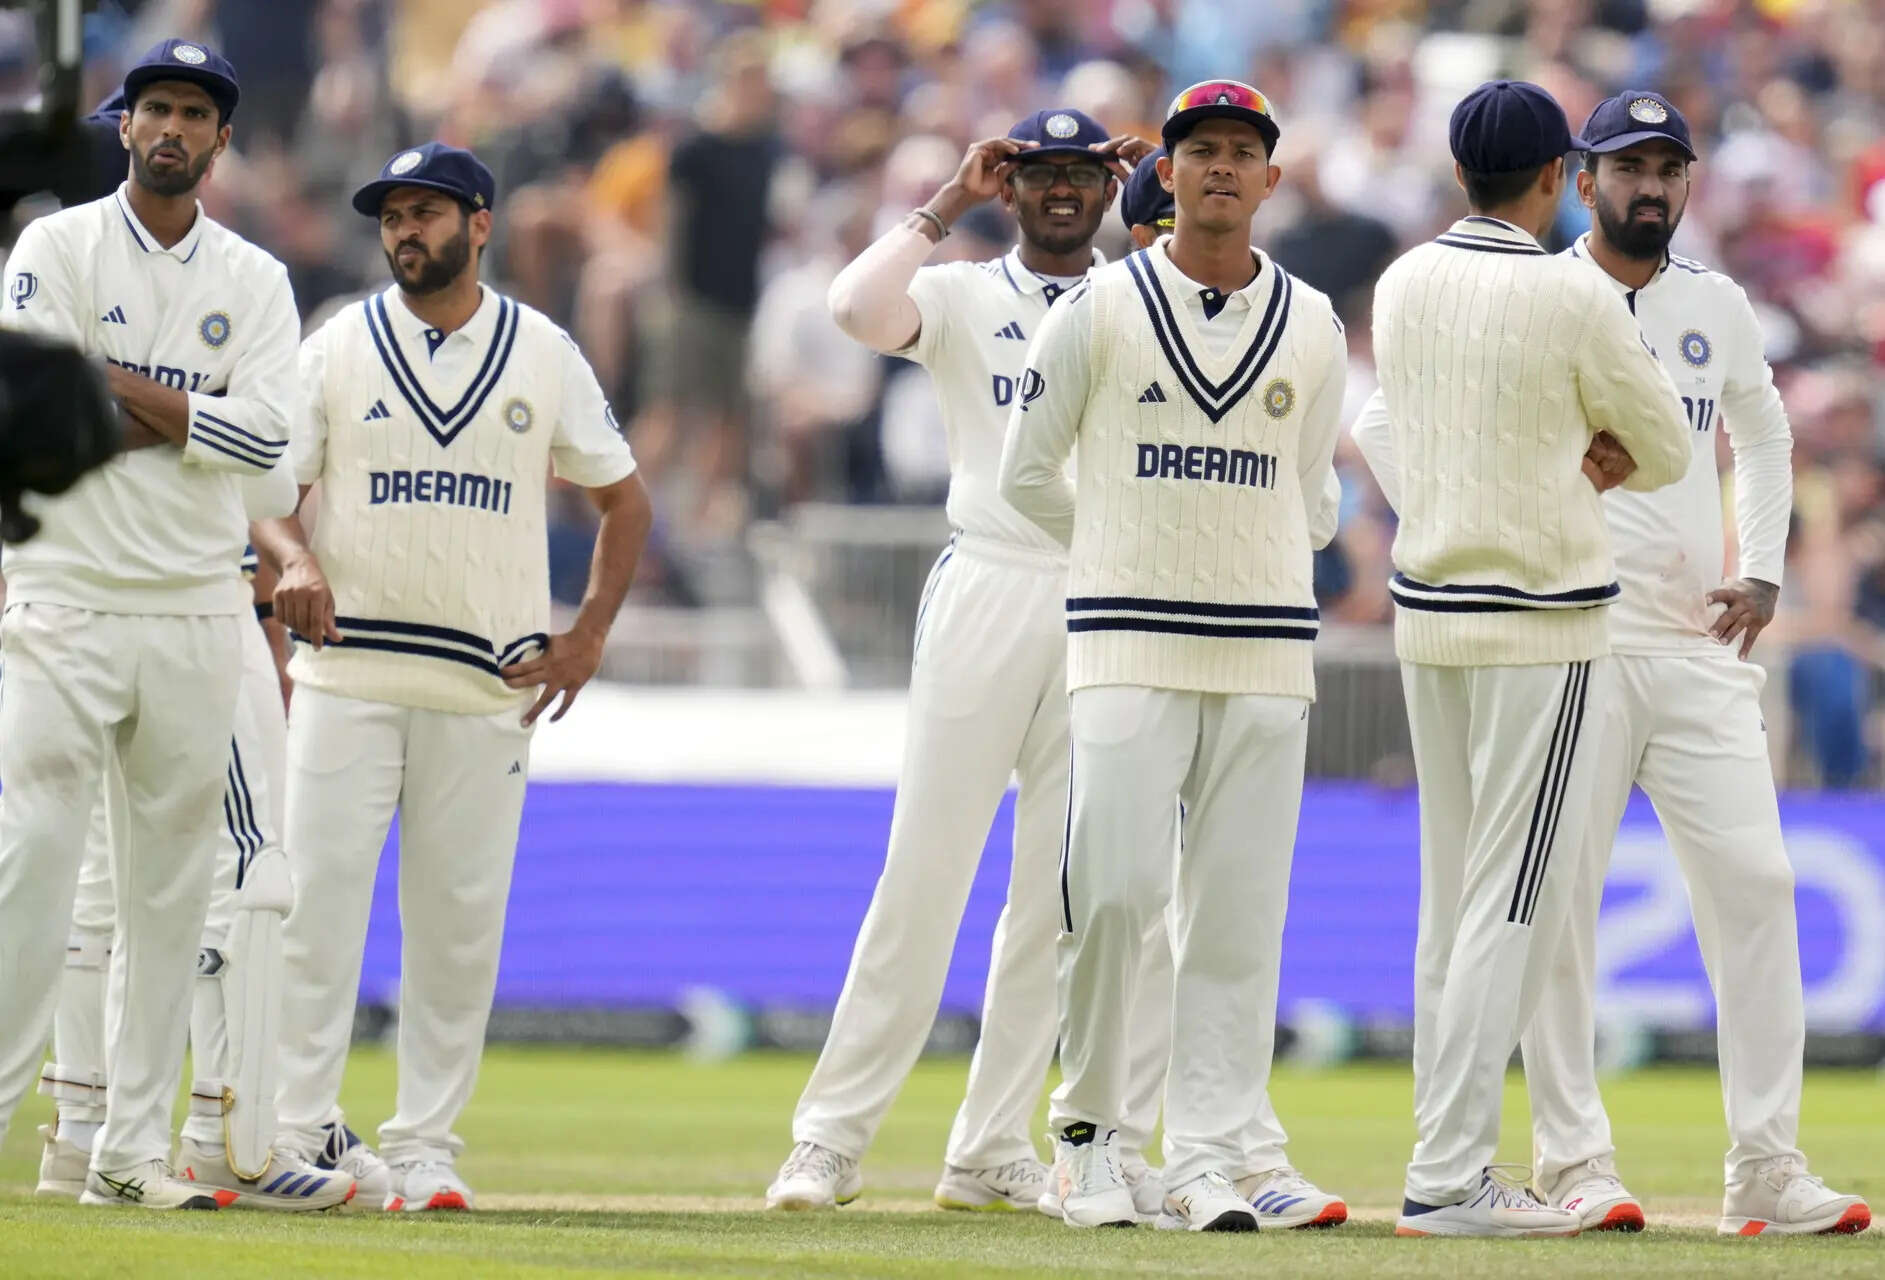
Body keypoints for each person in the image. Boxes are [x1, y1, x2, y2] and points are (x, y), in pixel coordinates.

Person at [766, 108, 1174, 1219]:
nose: (1059, 191)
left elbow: (1213, 300)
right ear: (1010, 185)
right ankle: (828, 1139)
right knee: (925, 871)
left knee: (1057, 897)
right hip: (991, 576)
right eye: (1038, 173)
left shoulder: (1139, 295)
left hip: (1104, 595)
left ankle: (991, 1143)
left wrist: (1163, 200)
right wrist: (946, 197)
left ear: (1105, 189)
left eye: (1081, 176)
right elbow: (853, 306)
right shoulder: (957, 291)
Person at [255, 142, 652, 1212]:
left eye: (427, 213)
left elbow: (624, 499)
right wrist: (294, 556)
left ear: (480, 225)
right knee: (315, 913)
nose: (405, 232)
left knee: (457, 928)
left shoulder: (540, 348)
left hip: (485, 688)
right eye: (392, 217)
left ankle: (425, 1143)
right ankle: (296, 1126)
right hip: (347, 677)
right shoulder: (339, 339)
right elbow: (269, 482)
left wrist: (588, 636)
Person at [1517, 91, 1869, 1238]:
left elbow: (1762, 435)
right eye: (1629, 167)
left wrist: (1760, 566)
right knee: (1558, 904)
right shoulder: (1538, 298)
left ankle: (1764, 1165)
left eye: (1669, 167)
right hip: (1571, 636)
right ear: (1583, 180)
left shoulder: (1714, 303)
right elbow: (1405, 433)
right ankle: (1572, 1158)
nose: (1651, 186)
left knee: (1758, 888)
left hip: (1696, 637)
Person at [999, 79, 1347, 1233]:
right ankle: (1091, 1138)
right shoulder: (1095, 309)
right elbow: (1024, 474)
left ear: (1269, 179)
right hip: (1125, 641)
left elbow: (1313, 499)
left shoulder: (1312, 320)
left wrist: (1242, 561)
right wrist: (1115, 557)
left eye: (1243, 152)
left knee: (1240, 915)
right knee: (1112, 895)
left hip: (1264, 651)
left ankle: (1213, 1152)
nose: (1220, 168)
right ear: (1168, 172)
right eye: (1200, 148)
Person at [1354, 80, 1690, 1238]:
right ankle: (1449, 1175)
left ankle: (1443, 1156)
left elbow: (1385, 426)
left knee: (1452, 903)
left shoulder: (1400, 281)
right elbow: (1665, 446)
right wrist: (1584, 456)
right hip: (1541, 622)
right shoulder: (1572, 295)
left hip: (1428, 611)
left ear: (1459, 174)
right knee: (1509, 902)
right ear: (1558, 176)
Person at [0, 38, 300, 1209]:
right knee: (30, 863)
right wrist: (196, 415)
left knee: (170, 891)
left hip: (192, 604)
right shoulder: (55, 243)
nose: (172, 128)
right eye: (155, 109)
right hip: (64, 595)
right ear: (123, 125)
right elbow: (30, 404)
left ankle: (128, 1153)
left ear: (223, 139)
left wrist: (110, 388)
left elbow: (274, 447)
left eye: (195, 113)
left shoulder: (256, 279)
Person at [34, 485, 355, 1213]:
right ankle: (227, 1135)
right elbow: (260, 474)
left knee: (98, 875)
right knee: (241, 861)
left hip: (76, 583)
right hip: (189, 590)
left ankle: (84, 1124)